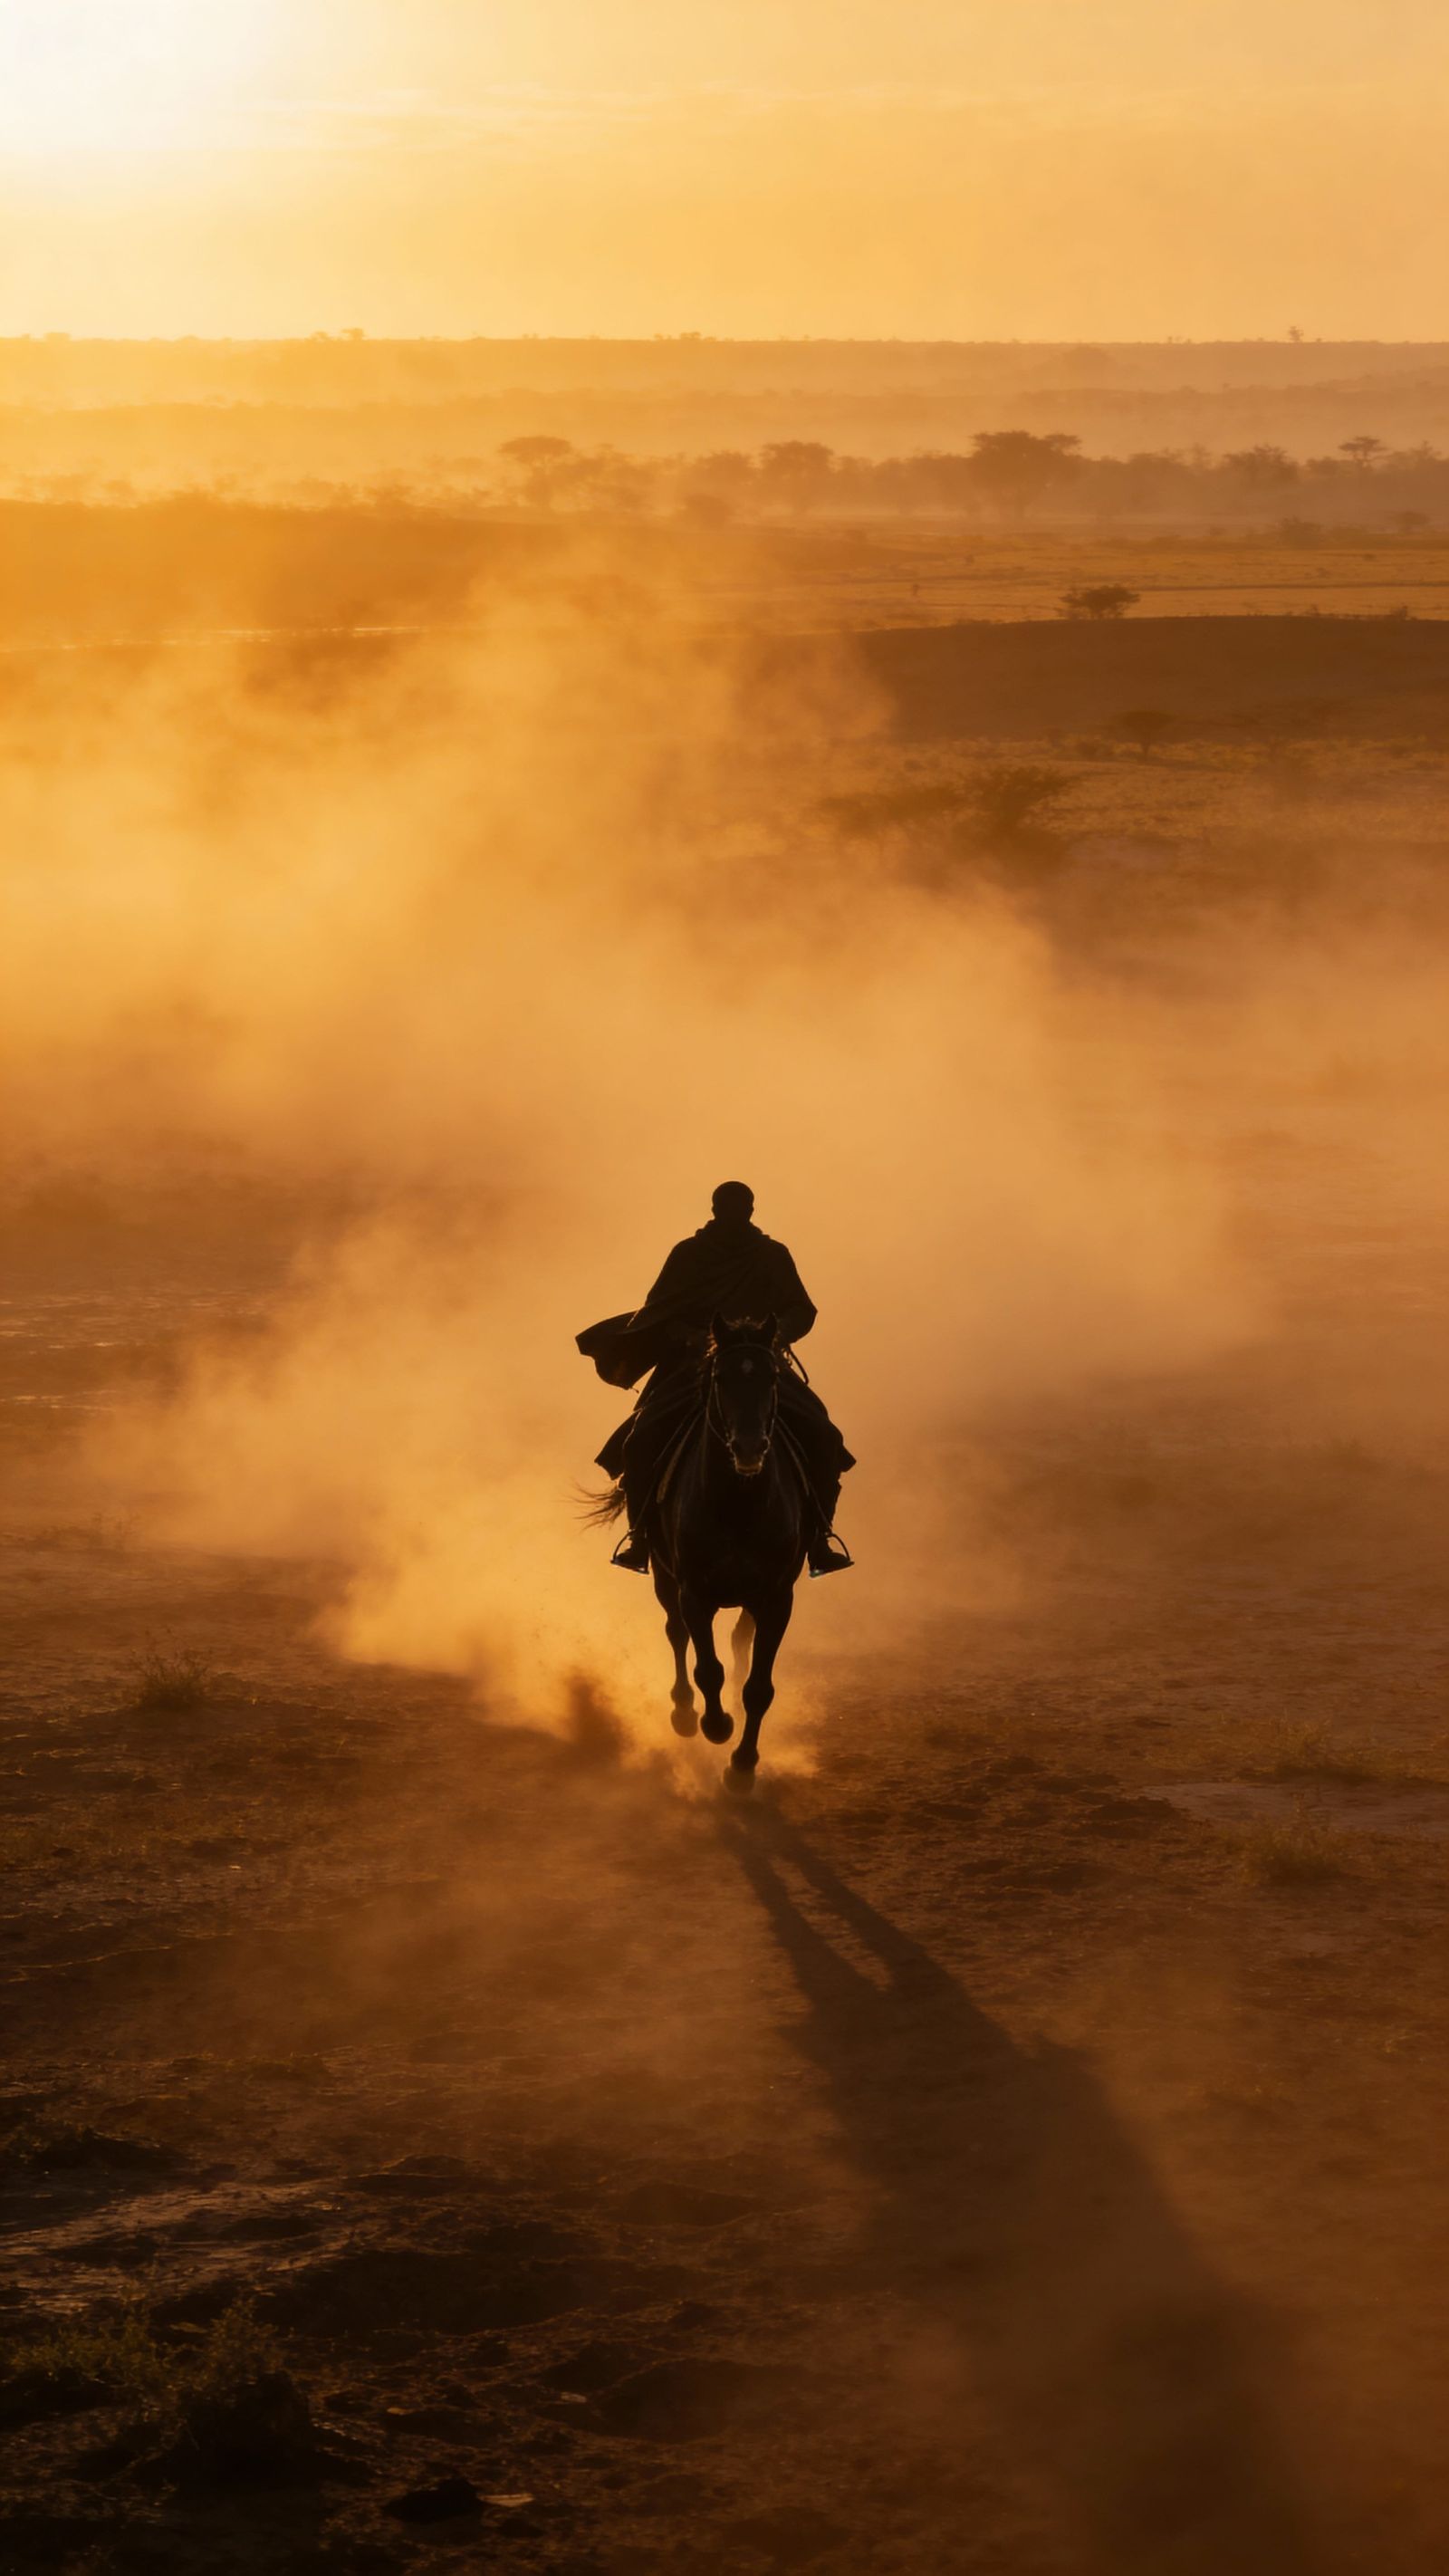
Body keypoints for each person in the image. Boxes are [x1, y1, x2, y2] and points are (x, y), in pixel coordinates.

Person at [577, 1181, 855, 1577]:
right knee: (639, 1442)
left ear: (751, 1211)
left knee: (825, 1437)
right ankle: (639, 1537)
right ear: (714, 1210)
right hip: (692, 1367)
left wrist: (774, 1334)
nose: (734, 1215)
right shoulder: (688, 1255)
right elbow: (660, 1310)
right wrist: (690, 1335)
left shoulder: (772, 1256)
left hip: (760, 1365)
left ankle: (819, 1539)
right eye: (728, 1208)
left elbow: (801, 1309)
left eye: (740, 1209)